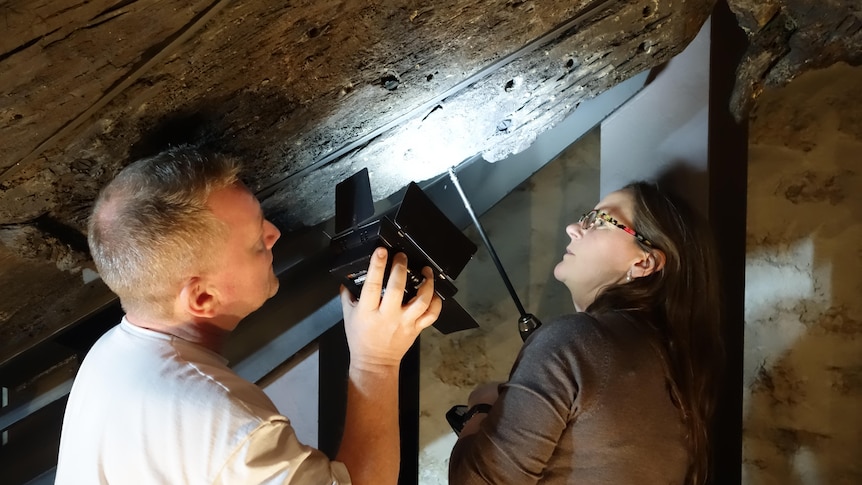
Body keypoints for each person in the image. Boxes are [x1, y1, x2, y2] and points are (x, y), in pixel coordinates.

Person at [55, 145, 441, 485]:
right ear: (203, 298)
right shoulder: (233, 431)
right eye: (257, 242)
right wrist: (376, 362)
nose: (273, 233)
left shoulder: (109, 354)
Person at [448, 181, 724, 485]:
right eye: (584, 217)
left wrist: (481, 409)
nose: (572, 228)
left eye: (599, 221)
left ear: (644, 262)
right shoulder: (678, 373)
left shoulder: (572, 342)